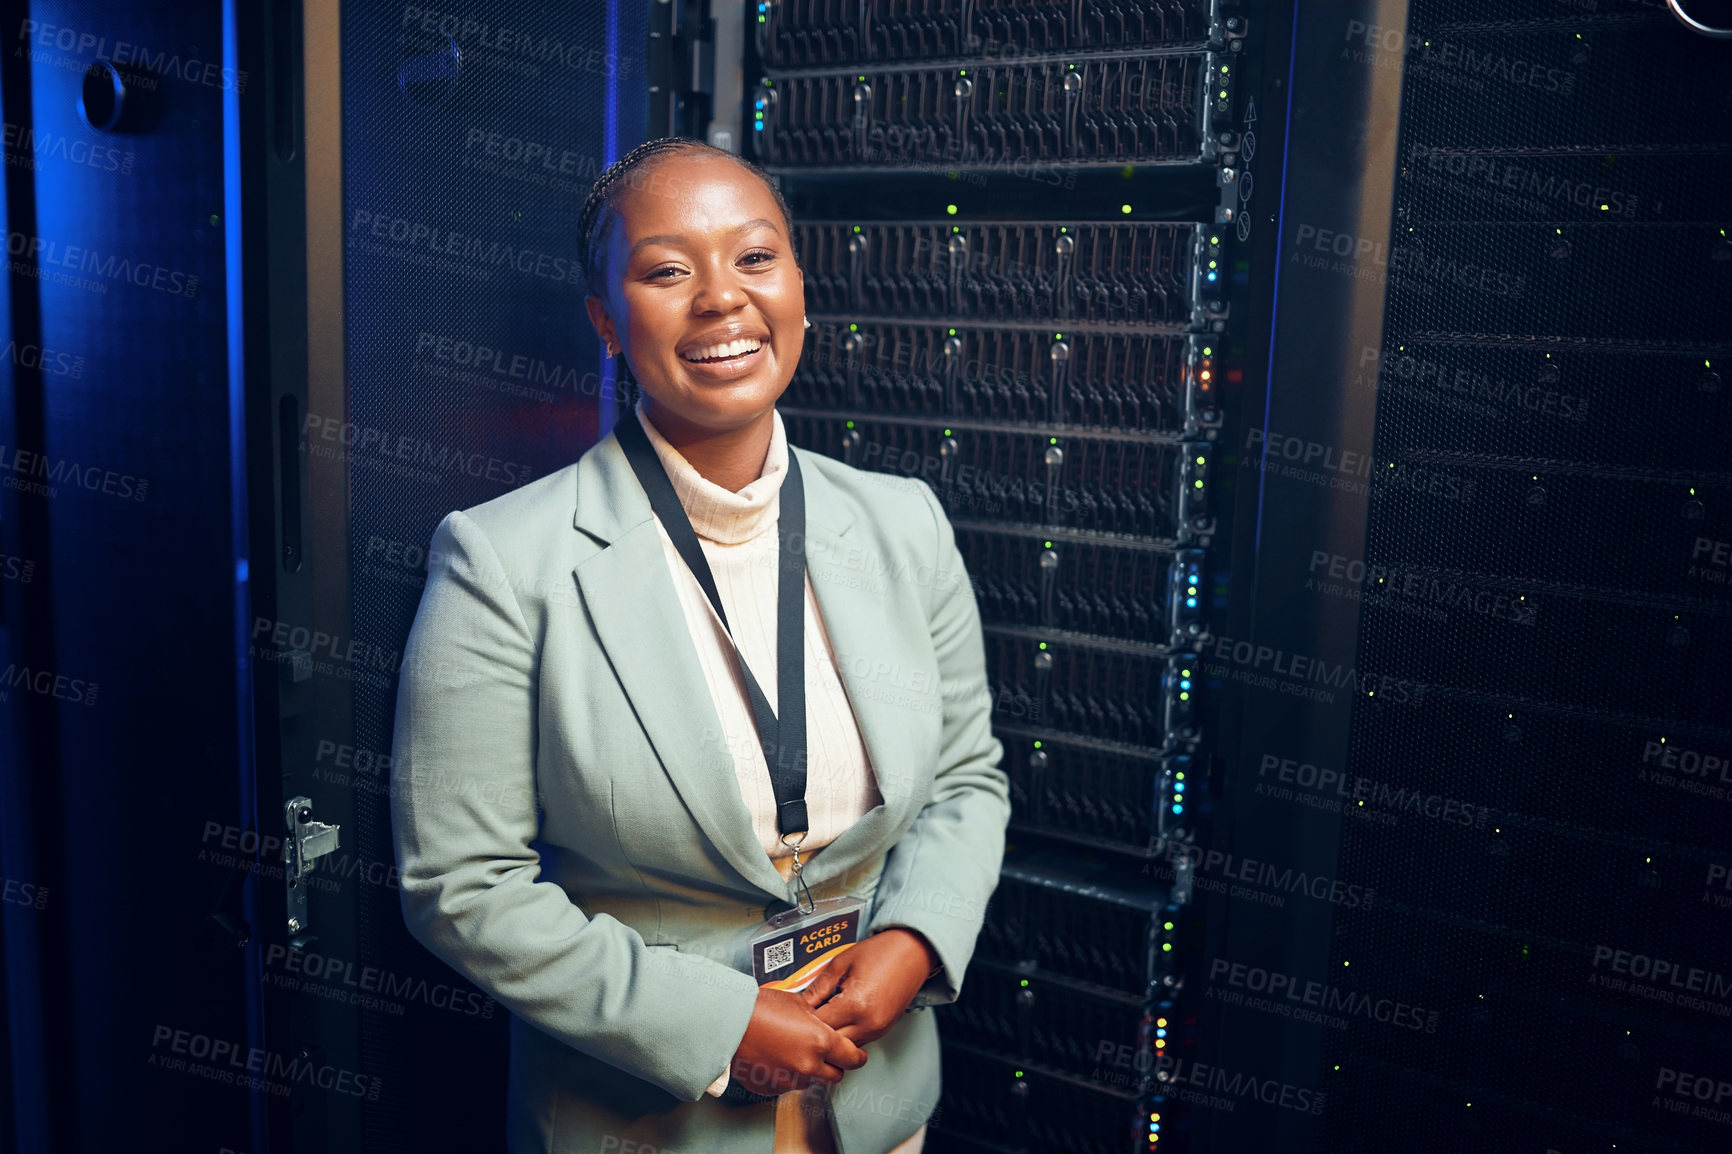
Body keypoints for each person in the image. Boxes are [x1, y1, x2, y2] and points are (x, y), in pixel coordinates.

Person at [390, 137, 1010, 1154]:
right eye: (668, 270)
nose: (722, 298)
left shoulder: (905, 523)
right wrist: (715, 1024)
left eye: (755, 257)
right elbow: (461, 883)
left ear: (800, 286)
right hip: (646, 1119)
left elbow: (964, 779)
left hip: (881, 1097)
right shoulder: (501, 560)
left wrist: (915, 936)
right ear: (605, 317)